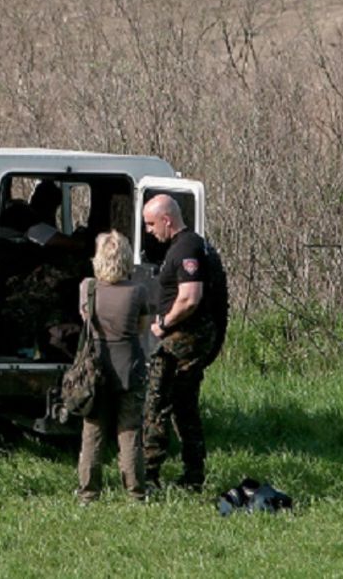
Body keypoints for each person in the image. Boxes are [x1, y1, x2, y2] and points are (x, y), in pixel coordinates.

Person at [141, 194, 219, 491]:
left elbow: (190, 297)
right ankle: (193, 476)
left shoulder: (185, 248)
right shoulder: (192, 244)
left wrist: (164, 323)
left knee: (156, 404)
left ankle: (148, 477)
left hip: (181, 340)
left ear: (167, 219)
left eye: (151, 224)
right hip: (190, 339)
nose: (149, 231)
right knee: (185, 408)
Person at [76, 230, 149, 504]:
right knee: (129, 433)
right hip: (129, 367)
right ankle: (135, 493)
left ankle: (88, 493)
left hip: (96, 370)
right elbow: (141, 329)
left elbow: (85, 318)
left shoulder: (88, 287)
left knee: (92, 432)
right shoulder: (138, 292)